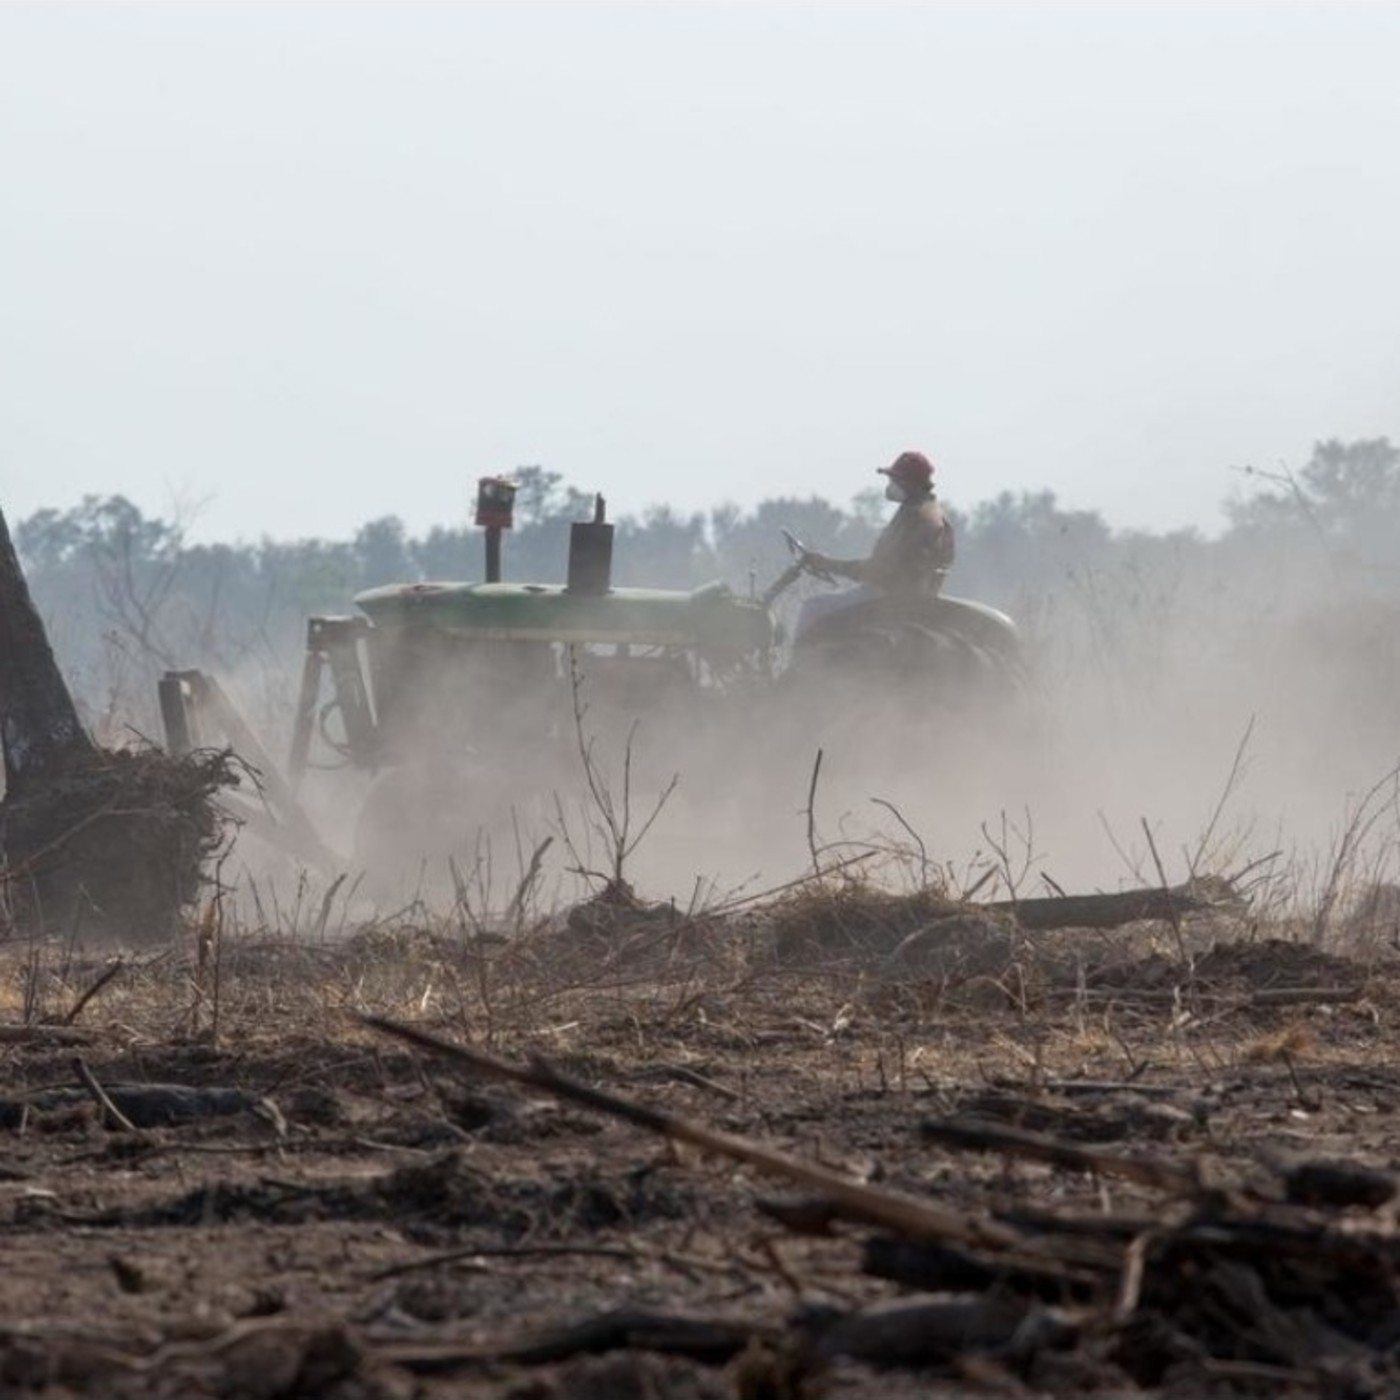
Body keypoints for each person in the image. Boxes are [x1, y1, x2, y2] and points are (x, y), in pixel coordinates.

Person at [804, 451, 955, 600]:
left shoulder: (914, 518)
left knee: (813, 607)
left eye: (895, 480)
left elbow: (876, 570)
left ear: (910, 483)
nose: (891, 485)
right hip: (906, 598)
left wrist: (828, 564)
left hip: (887, 600)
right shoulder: (934, 514)